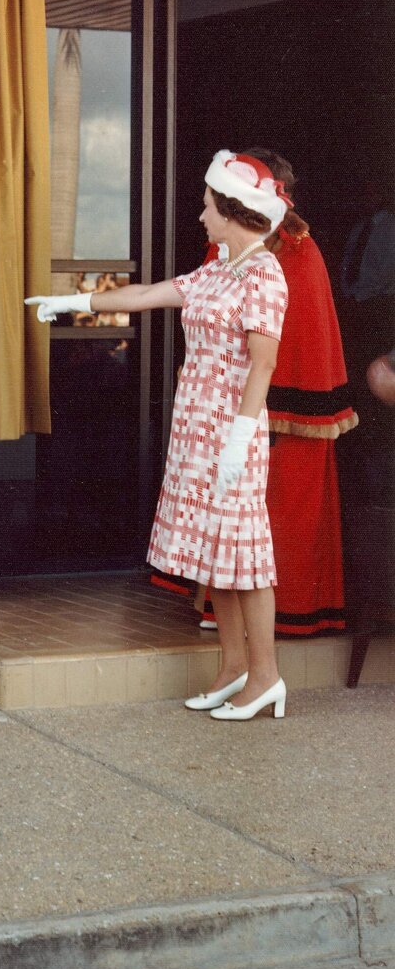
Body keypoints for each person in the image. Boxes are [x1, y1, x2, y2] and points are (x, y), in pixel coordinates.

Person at [26, 150, 290, 720]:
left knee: (244, 555)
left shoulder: (265, 274)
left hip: (232, 433)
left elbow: (264, 365)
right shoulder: (217, 270)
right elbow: (145, 295)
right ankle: (232, 668)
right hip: (197, 429)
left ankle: (265, 676)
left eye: (206, 207)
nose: (200, 216)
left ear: (232, 209)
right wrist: (74, 300)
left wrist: (241, 440)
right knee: (214, 553)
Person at [195, 149, 357, 636]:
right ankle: (226, 624)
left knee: (277, 512)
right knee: (230, 515)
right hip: (231, 402)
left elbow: (306, 340)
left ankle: (273, 629)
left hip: (279, 409)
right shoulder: (226, 250)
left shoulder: (300, 253)